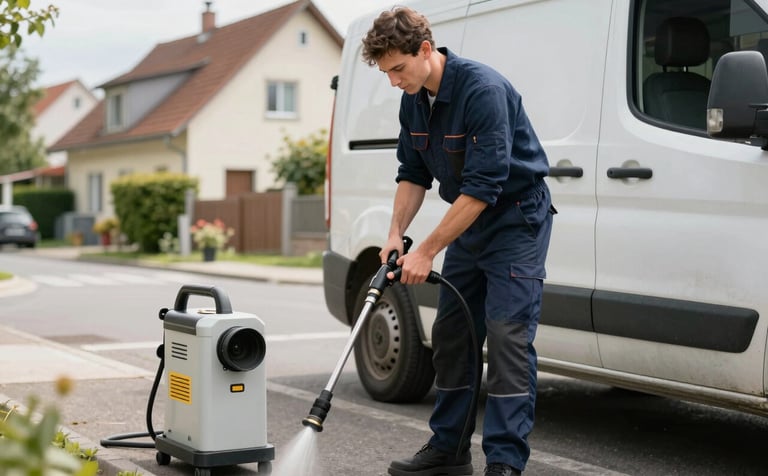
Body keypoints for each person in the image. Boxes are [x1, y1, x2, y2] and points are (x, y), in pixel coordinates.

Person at [362, 7, 555, 476]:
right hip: (469, 224)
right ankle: (448, 450)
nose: (393, 81)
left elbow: (484, 188)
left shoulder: (482, 91)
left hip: (514, 220)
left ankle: (505, 463)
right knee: (453, 335)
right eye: (386, 73)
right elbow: (413, 174)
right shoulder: (413, 100)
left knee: (508, 338)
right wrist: (395, 235)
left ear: (425, 50)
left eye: (398, 69)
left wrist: (427, 250)